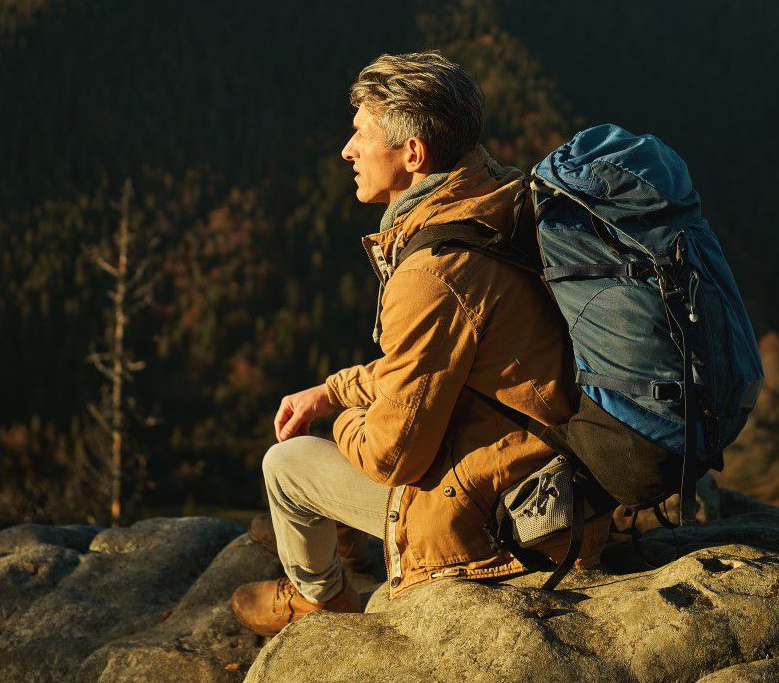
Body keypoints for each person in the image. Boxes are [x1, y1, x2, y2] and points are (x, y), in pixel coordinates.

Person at [230, 51, 610, 637]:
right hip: (555, 466)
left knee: (286, 466)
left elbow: (392, 455)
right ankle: (340, 526)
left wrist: (337, 422)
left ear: (413, 155)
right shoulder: (502, 195)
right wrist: (332, 391)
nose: (346, 151)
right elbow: (432, 364)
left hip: (501, 515)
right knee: (357, 415)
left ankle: (320, 602)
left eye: (360, 135)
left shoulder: (434, 274)